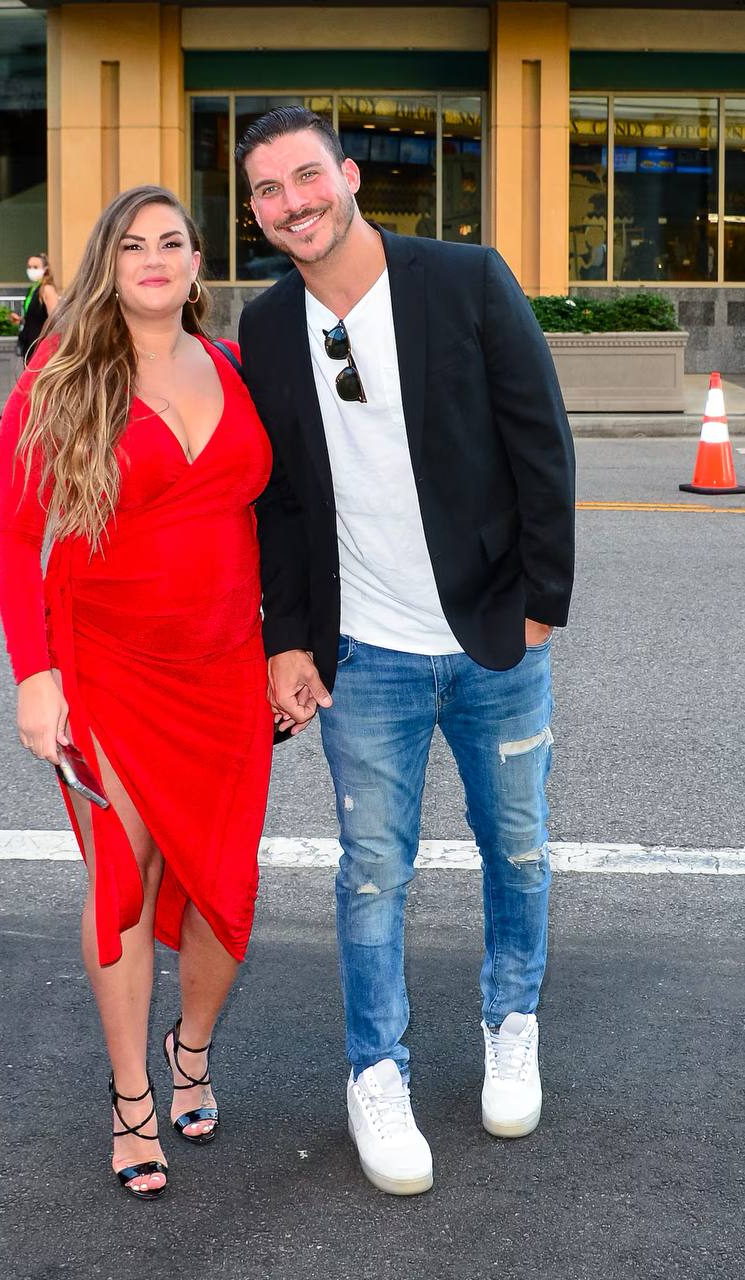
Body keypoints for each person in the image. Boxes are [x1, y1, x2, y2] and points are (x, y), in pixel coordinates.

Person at [234, 108, 575, 1196]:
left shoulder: (463, 280)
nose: (292, 203)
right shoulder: (265, 325)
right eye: (267, 190)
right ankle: (375, 1070)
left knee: (517, 848)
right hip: (363, 654)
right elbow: (279, 504)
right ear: (255, 212)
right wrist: (287, 640)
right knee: (372, 871)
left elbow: (540, 440)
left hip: (494, 639)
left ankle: (510, 1021)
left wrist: (540, 604)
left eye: (305, 176)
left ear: (348, 176)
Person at [0, 187, 274, 1199]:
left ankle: (189, 1046)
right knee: (123, 878)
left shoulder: (233, 365)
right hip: (106, 668)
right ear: (106, 265)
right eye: (132, 244)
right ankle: (130, 1098)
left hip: (225, 671)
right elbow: (17, 536)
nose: (153, 258)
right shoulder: (62, 375)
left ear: (198, 262)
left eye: (172, 242)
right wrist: (35, 676)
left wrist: (285, 649)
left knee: (226, 886)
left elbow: (274, 518)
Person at [10, 253, 59, 361]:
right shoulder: (33, 289)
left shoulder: (47, 289)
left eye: (35, 267)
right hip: (29, 342)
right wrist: (22, 320)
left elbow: (54, 318)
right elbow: (35, 316)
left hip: (40, 344)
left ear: (45, 269)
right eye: (29, 267)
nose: (31, 270)